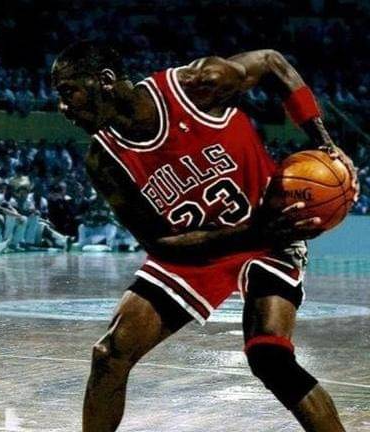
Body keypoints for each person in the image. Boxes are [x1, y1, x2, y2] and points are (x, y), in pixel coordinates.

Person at [52, 41, 358, 431]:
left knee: (270, 357)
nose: (63, 107)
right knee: (110, 354)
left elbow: (271, 62)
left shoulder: (196, 86)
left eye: (69, 92)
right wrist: (247, 234)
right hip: (198, 246)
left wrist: (322, 141)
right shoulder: (104, 160)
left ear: (106, 80)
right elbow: (159, 244)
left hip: (268, 229)